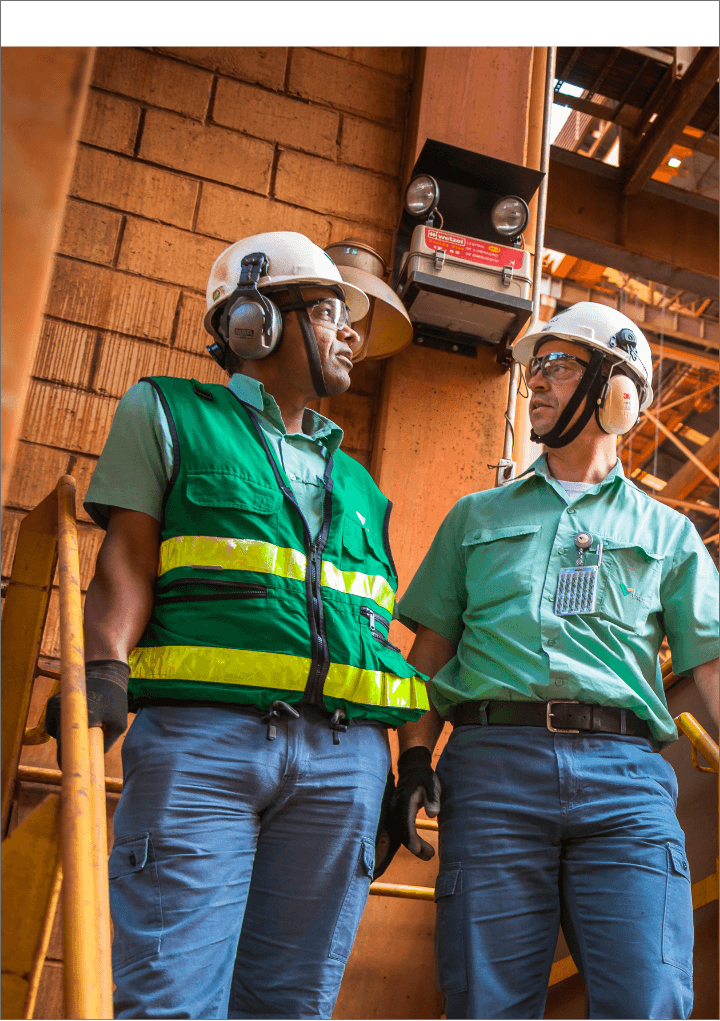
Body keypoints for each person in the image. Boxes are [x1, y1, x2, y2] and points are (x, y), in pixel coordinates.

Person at [46, 232, 429, 1020]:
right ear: (255, 321)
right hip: (204, 744)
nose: (351, 332)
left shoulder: (360, 484)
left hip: (345, 763)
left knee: (291, 1006)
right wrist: (103, 664)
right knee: (169, 1001)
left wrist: (401, 763)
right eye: (329, 311)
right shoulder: (169, 412)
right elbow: (127, 559)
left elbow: (369, 631)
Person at [390, 302, 719, 1020]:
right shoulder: (474, 518)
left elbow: (711, 671)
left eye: (558, 366)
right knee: (486, 1001)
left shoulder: (669, 533)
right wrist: (413, 761)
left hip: (627, 783)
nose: (534, 382)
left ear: (617, 392)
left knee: (650, 997)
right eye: (534, 368)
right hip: (492, 770)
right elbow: (427, 662)